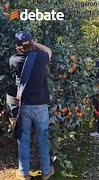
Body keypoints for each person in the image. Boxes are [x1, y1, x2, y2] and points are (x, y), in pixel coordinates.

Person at [7, 32, 54, 180]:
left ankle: (23, 173)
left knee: (24, 139)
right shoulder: (41, 57)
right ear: (31, 43)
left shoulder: (13, 60)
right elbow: (49, 51)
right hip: (40, 106)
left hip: (24, 106)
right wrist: (34, 43)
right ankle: (46, 171)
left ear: (17, 46)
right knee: (43, 138)